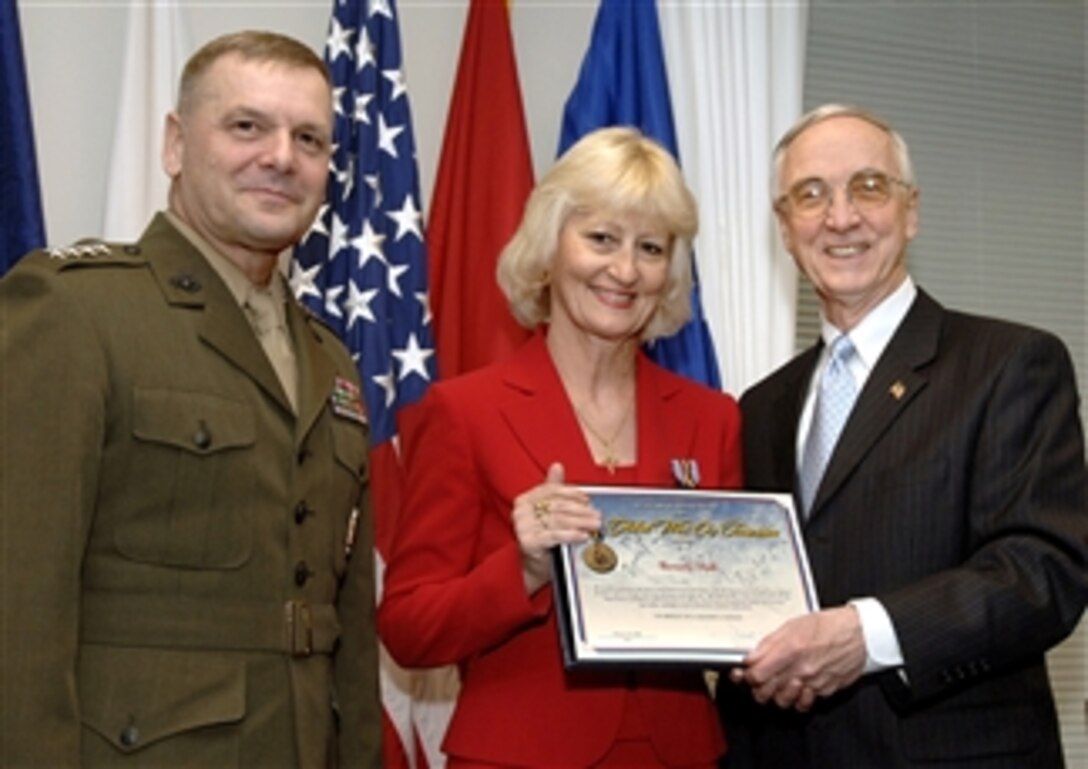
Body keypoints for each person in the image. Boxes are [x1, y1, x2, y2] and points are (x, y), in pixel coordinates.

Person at [0, 31, 381, 768]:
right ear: (175, 144)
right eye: (247, 126)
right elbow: (17, 606)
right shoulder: (74, 311)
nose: (281, 156)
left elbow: (345, 630)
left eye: (310, 139)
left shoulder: (331, 360)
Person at [718, 103, 1088, 768]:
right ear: (784, 227)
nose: (840, 217)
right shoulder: (761, 405)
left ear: (911, 210)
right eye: (811, 194)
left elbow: (1044, 571)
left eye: (867, 186)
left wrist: (865, 633)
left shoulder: (1009, 363)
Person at [377, 126, 743, 768]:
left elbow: (735, 606)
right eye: (601, 238)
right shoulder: (464, 413)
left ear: (670, 272)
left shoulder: (712, 419)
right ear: (548, 249)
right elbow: (408, 626)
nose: (625, 270)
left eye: (650, 247)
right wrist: (520, 569)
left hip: (679, 755)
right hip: (518, 754)